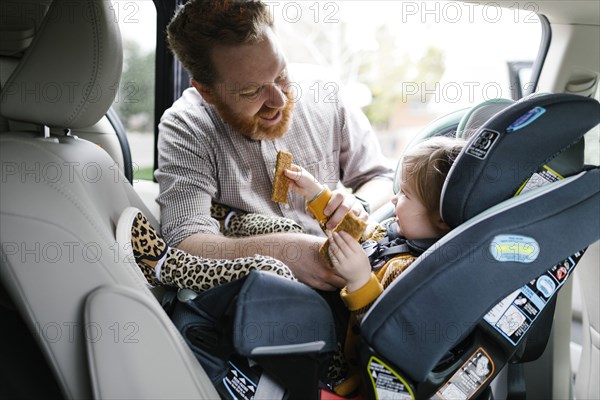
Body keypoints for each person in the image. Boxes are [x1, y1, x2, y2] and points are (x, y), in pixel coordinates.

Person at [117, 135, 465, 395]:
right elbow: (356, 230)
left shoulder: (414, 273)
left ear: (442, 220)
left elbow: (386, 339)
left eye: (404, 195)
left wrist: (360, 279)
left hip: (336, 361)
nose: (393, 199)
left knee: (273, 269)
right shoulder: (397, 234)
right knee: (288, 229)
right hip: (324, 306)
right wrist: (316, 194)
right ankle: (228, 222)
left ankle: (165, 265)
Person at [155, 0, 394, 291]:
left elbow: (380, 177)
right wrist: (285, 252)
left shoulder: (326, 93)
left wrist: (358, 204)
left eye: (280, 74)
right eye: (251, 91)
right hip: (263, 296)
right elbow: (185, 240)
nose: (279, 101)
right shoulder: (186, 127)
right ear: (207, 92)